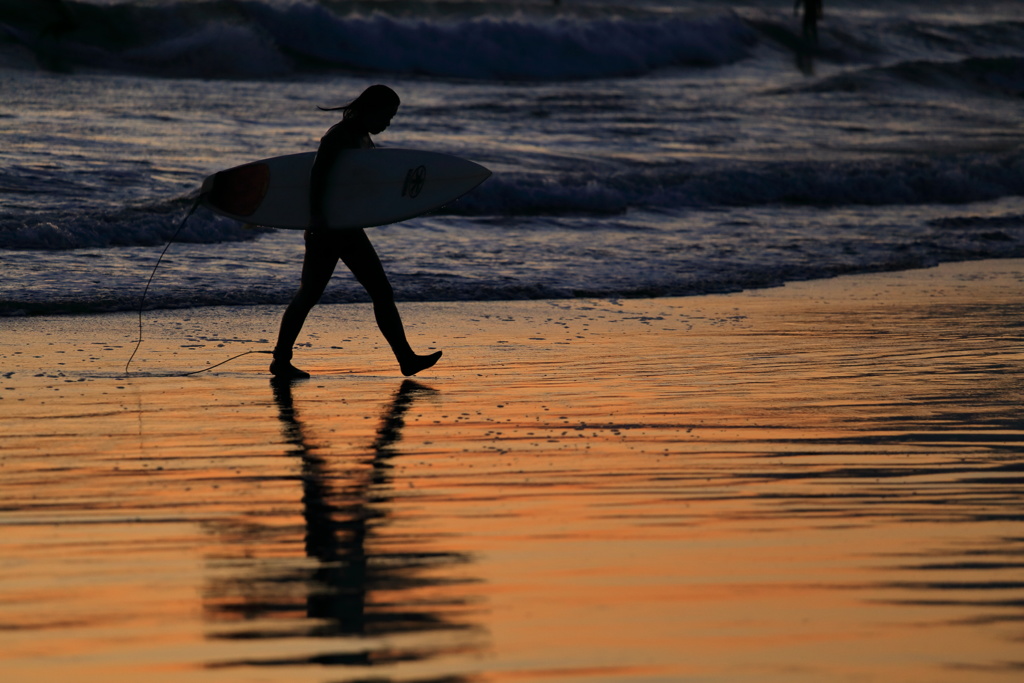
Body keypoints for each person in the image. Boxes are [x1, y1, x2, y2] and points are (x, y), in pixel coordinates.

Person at [271, 85, 442, 380]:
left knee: (370, 292)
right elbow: (318, 175)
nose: (389, 123)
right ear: (370, 109)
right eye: (387, 116)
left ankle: (406, 358)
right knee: (315, 294)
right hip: (329, 228)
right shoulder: (340, 135)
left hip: (346, 226)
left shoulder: (361, 138)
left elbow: (359, 184)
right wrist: (316, 219)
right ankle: (281, 360)